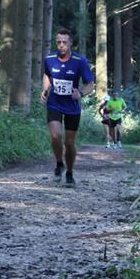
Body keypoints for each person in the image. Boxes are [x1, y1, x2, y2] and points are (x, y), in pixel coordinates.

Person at [41, 28, 94, 187]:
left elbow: (90, 84)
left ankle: (70, 172)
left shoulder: (80, 61)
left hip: (72, 106)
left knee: (69, 143)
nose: (61, 45)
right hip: (54, 103)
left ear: (70, 43)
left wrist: (81, 93)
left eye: (64, 42)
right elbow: (47, 75)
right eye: (58, 42)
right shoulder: (49, 59)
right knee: (55, 136)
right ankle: (59, 163)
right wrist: (45, 90)